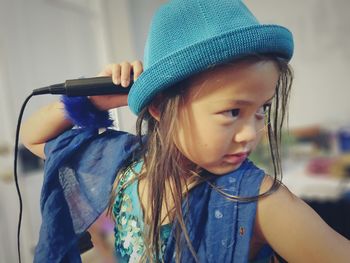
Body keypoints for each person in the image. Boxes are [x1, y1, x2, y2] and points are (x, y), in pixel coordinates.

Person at [20, 0, 350, 262]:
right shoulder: (120, 167)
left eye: (261, 109)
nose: (252, 134)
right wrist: (92, 101)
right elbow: (34, 137)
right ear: (160, 108)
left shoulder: (259, 201)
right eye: (233, 111)